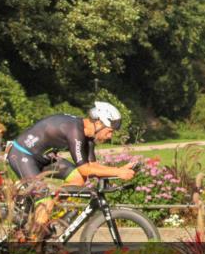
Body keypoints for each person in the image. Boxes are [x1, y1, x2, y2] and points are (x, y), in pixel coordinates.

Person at [7, 101, 134, 238]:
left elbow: (92, 166)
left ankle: (47, 210)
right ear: (98, 123)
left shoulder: (88, 138)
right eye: (109, 131)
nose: (110, 136)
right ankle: (31, 248)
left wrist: (118, 169)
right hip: (22, 154)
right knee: (45, 201)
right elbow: (85, 169)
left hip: (43, 158)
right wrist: (118, 172)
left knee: (78, 178)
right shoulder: (74, 130)